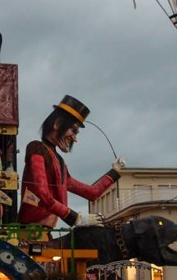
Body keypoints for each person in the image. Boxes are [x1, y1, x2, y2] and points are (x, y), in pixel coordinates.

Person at [17, 95, 123, 231]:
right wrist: (75, 218)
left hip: (45, 233)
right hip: (29, 233)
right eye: (73, 130)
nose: (75, 139)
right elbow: (42, 194)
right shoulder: (36, 149)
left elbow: (92, 193)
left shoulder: (60, 163)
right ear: (58, 124)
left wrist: (114, 172)